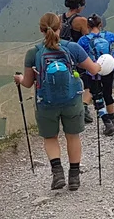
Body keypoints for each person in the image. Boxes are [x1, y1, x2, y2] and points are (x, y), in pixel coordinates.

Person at [15, 13, 102, 191]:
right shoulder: (73, 48)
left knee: (51, 137)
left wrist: (19, 78)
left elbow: (28, 83)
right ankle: (74, 177)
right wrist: (101, 65)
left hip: (45, 102)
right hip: (71, 100)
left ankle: (57, 173)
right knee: (72, 136)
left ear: (41, 29)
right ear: (60, 27)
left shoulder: (34, 52)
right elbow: (93, 69)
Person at [78, 14, 114, 136]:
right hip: (108, 69)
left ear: (87, 26)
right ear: (101, 25)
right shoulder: (108, 35)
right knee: (108, 94)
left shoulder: (84, 40)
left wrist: (83, 66)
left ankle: (107, 123)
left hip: (92, 70)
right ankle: (113, 121)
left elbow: (77, 55)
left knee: (97, 95)